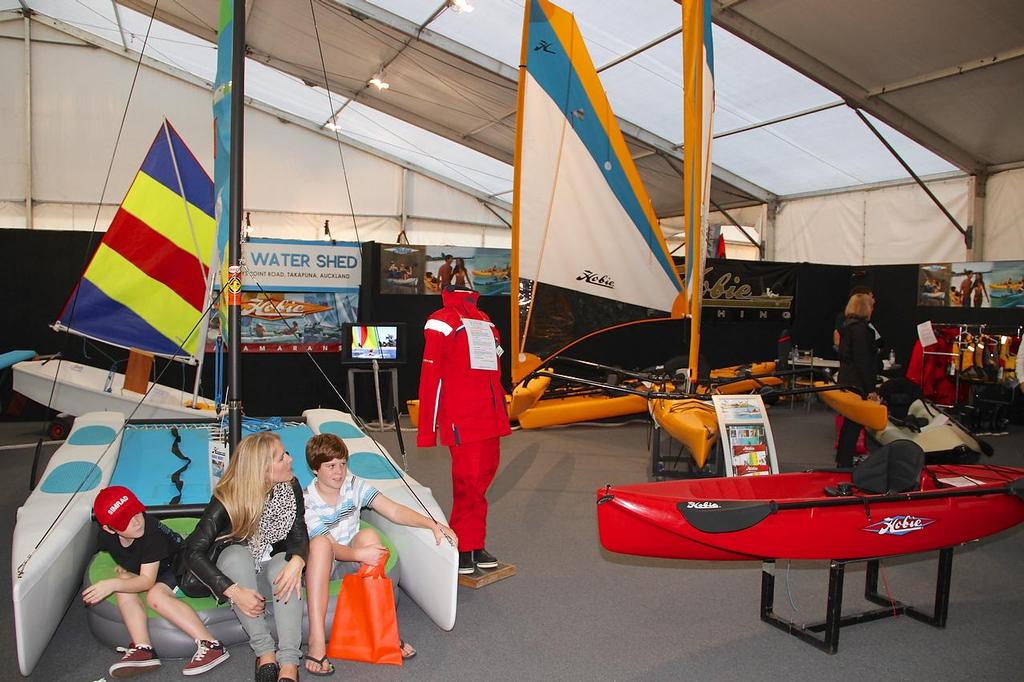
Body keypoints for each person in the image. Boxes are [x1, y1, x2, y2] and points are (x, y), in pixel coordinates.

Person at [301, 434, 456, 675]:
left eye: (342, 464)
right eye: (330, 466)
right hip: (321, 565)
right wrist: (360, 554)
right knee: (321, 544)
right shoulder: (307, 500)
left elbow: (393, 509)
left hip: (349, 556)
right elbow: (332, 548)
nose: (339, 472)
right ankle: (317, 640)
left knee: (370, 538)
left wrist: (433, 524)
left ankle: (381, 631)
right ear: (314, 469)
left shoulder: (354, 485)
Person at [181, 433, 308, 682]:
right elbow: (193, 552)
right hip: (239, 578)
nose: (290, 459)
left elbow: (299, 533)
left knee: (286, 564)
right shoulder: (227, 498)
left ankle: (290, 664)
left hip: (270, 571)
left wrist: (298, 561)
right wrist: (233, 591)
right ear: (263, 469)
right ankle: (265, 653)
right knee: (236, 555)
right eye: (282, 457)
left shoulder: (290, 487)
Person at [84, 486, 230, 678]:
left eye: (136, 512)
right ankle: (143, 649)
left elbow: (147, 581)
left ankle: (211, 645)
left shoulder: (150, 533)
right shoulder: (105, 538)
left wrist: (111, 584)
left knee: (155, 596)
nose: (136, 521)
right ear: (108, 529)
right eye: (124, 520)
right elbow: (127, 557)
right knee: (122, 582)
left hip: (178, 565)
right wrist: (126, 569)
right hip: (154, 568)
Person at [417, 287, 512, 575]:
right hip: (462, 416)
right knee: (467, 483)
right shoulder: (441, 320)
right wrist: (427, 429)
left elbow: (495, 369)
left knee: (481, 483)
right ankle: (460, 546)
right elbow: (430, 375)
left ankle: (474, 543)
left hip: (491, 416)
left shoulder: (485, 320)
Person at [836, 293, 879, 467]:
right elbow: (863, 362)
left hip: (847, 380)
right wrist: (870, 389)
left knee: (849, 424)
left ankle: (843, 459)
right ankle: (845, 462)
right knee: (853, 424)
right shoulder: (861, 331)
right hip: (857, 384)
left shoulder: (847, 328)